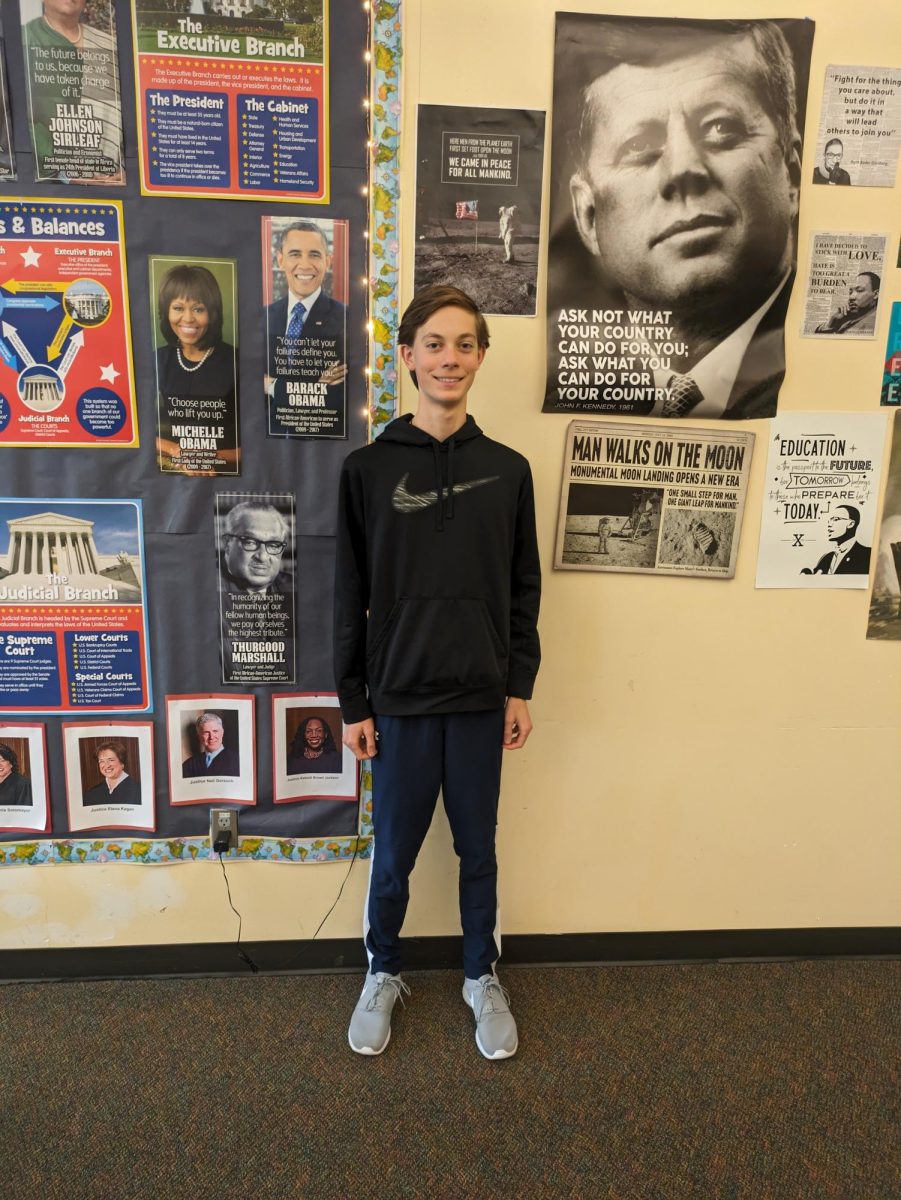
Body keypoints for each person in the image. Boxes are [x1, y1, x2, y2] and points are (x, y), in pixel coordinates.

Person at [335, 284, 541, 1060]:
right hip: (396, 702)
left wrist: (518, 683)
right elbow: (346, 592)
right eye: (433, 343)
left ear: (480, 356)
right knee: (393, 855)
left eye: (463, 344)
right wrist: (352, 698)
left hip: (480, 699)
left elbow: (524, 586)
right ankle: (382, 969)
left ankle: (479, 975)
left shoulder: (509, 470)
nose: (447, 358)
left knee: (477, 851)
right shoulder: (365, 470)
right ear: (407, 356)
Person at [559, 18, 803, 420]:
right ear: (588, 216)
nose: (683, 169)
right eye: (639, 146)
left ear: (790, 174)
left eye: (721, 128)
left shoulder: (835, 371)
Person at [23, 0, 123, 183]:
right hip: (50, 190)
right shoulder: (24, 41)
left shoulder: (111, 47)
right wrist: (67, 175)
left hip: (115, 187)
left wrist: (127, 173)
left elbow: (131, 120)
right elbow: (17, 123)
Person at [155, 263, 239, 474]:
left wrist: (209, 457)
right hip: (175, 471)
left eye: (198, 309)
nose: (188, 319)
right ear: (166, 312)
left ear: (213, 314)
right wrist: (177, 451)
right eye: (178, 308)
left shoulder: (238, 361)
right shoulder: (159, 360)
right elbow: (136, 433)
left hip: (225, 473)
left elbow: (258, 445)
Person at [264, 220, 348, 415]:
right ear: (280, 260)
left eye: (314, 255)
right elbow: (249, 383)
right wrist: (315, 388)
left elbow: (337, 397)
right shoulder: (263, 316)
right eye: (295, 254)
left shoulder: (346, 318)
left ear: (327, 262)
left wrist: (271, 385)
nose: (304, 264)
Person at [219, 501, 290, 595]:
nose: (262, 557)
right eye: (250, 542)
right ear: (227, 544)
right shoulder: (207, 587)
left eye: (273, 545)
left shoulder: (294, 586)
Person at [805, 505, 871, 576]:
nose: (829, 524)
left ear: (851, 524)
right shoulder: (827, 558)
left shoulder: (866, 555)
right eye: (829, 520)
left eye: (836, 519)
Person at [815, 273, 880, 336]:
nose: (851, 297)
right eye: (850, 292)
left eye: (859, 290)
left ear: (876, 294)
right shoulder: (848, 316)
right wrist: (831, 323)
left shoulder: (875, 324)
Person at [182, 713, 240, 778]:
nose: (211, 737)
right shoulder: (188, 765)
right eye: (206, 732)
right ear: (199, 736)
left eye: (215, 731)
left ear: (222, 732)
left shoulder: (237, 761)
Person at [83, 741, 141, 806]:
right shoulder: (91, 794)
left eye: (111, 760)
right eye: (101, 761)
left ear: (122, 763)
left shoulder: (138, 790)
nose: (107, 765)